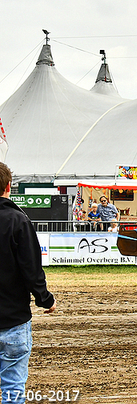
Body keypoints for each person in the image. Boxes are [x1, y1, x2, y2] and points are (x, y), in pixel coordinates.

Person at [0, 162, 56, 404]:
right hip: (13, 320)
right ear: (9, 186)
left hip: (13, 319)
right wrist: (45, 299)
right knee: (13, 388)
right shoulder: (18, 221)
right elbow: (31, 269)